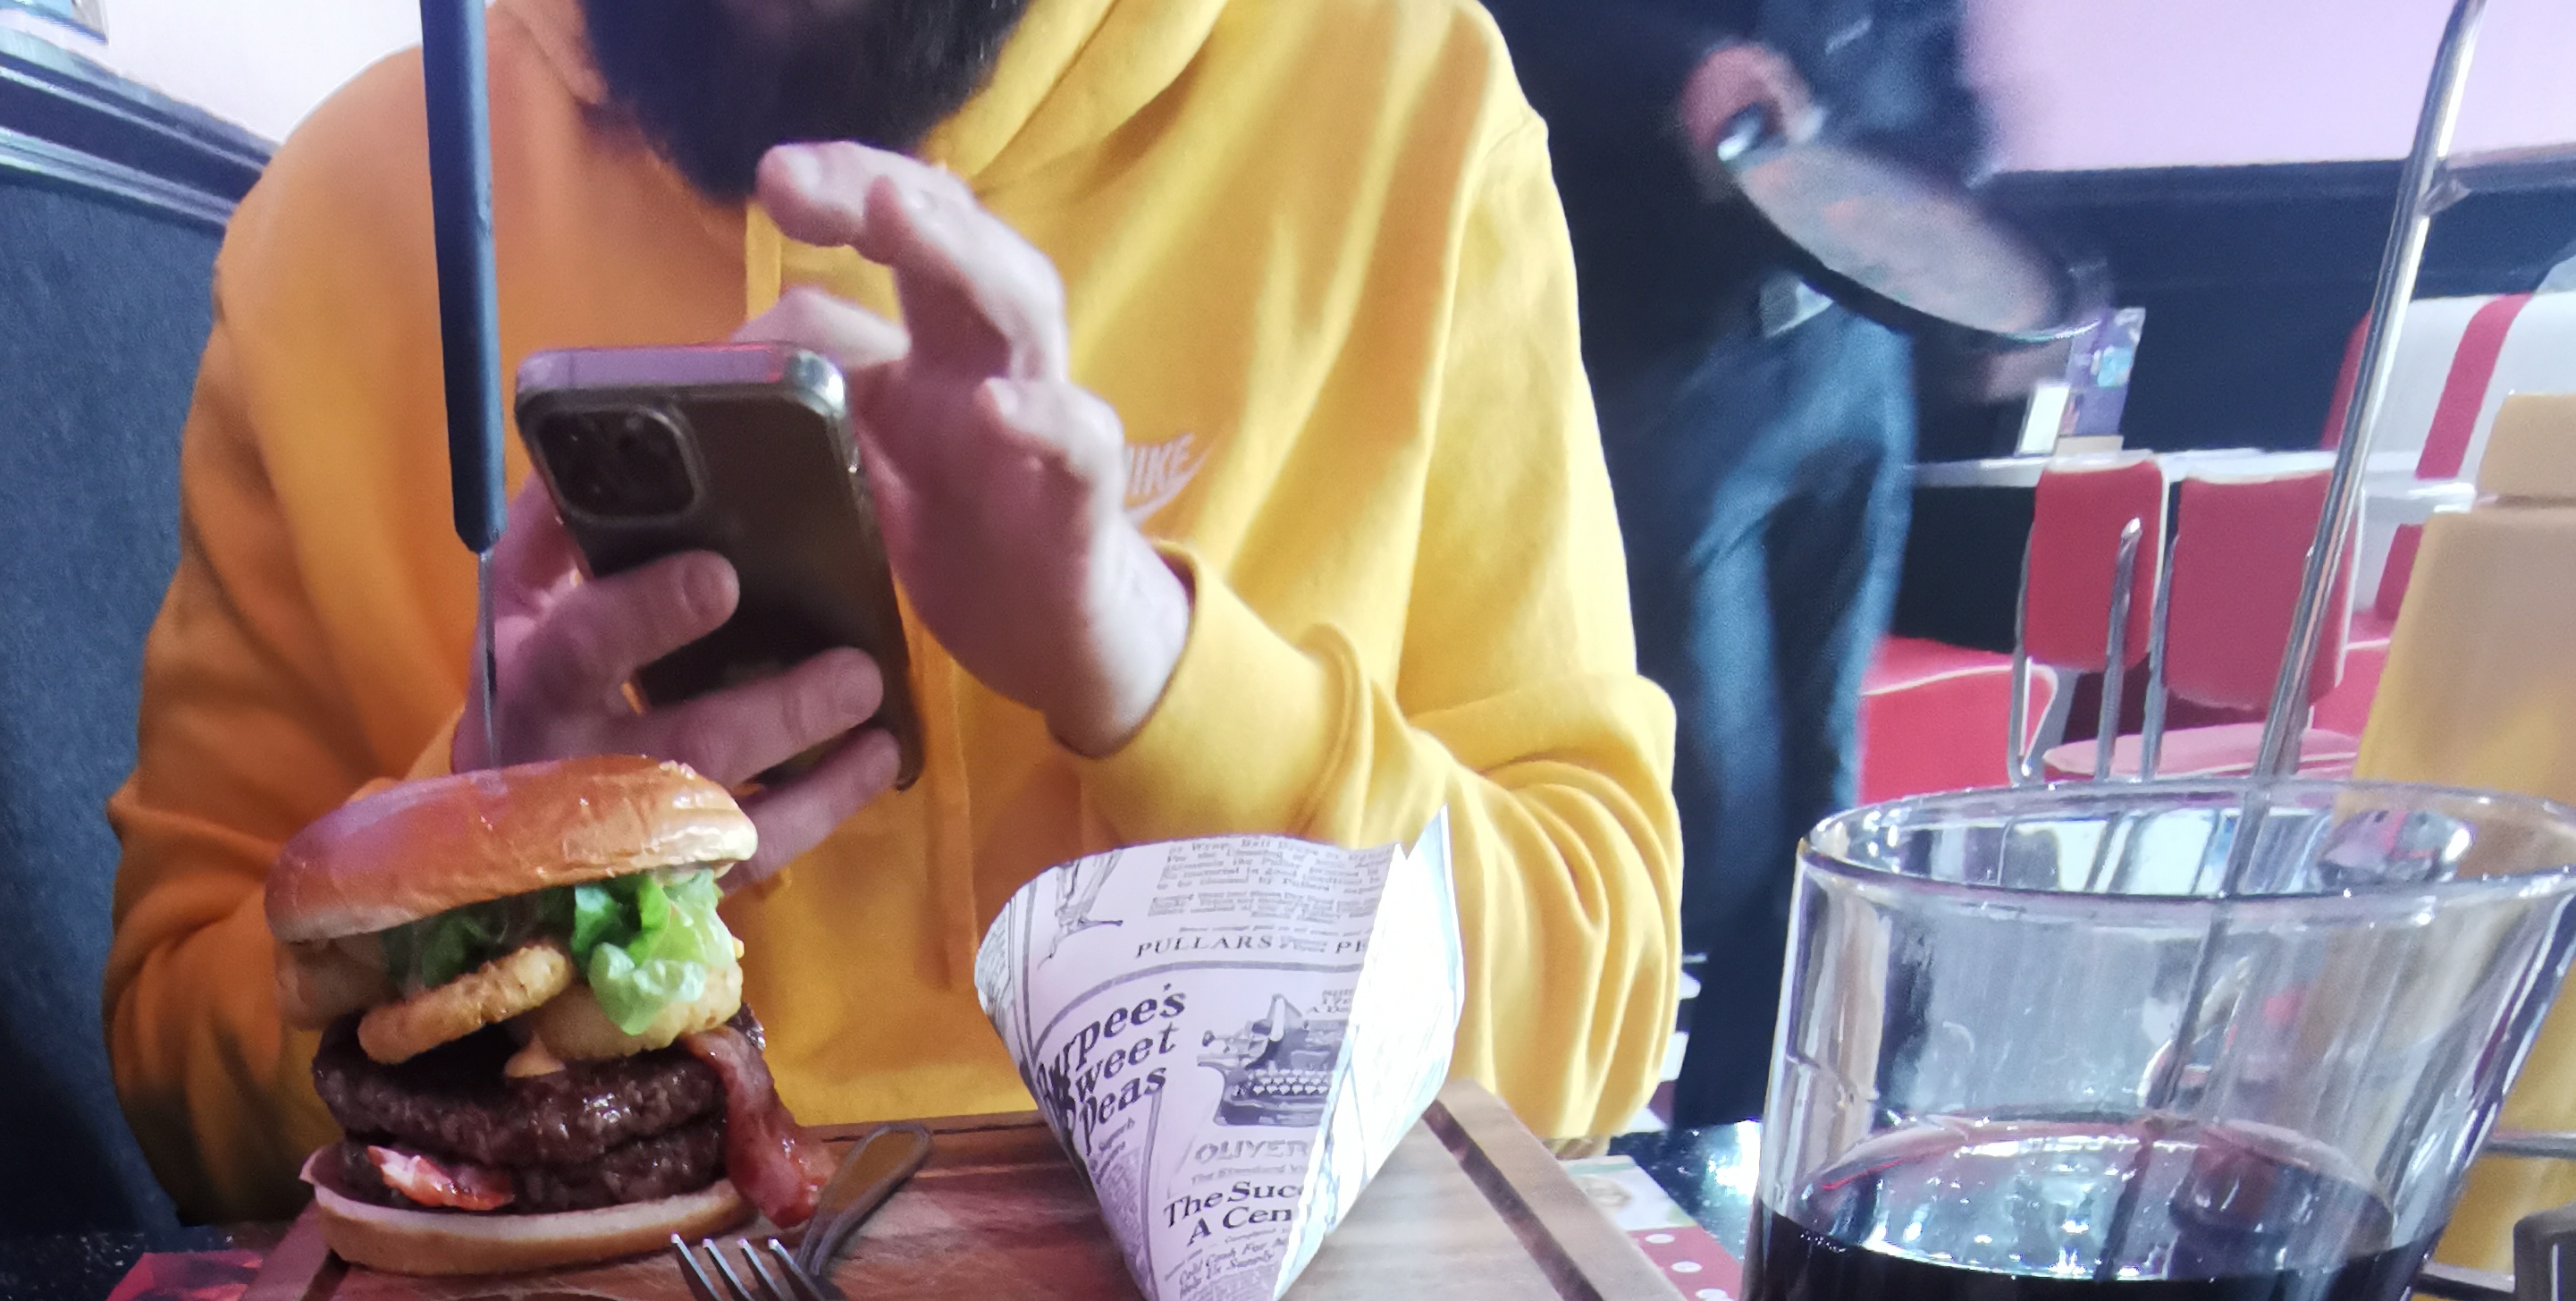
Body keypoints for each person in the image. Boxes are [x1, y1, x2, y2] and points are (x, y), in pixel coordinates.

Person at [103, 0, 1682, 1217]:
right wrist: (489, 849)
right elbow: (186, 1100)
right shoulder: (342, 213)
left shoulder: (1403, 89)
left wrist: (1151, 663)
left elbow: (1586, 1027)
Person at [1491, 1, 1984, 1125]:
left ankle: (1742, 1151)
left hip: (1855, 351)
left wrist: (1962, 216)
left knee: (1821, 804)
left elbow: (1931, 65)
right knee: (1711, 816)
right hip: (1662, 363)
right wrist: (1679, 70)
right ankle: (1586, 1116)